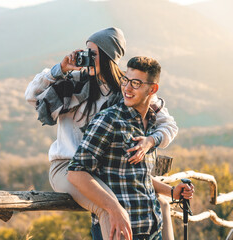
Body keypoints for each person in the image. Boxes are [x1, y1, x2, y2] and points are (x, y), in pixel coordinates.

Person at [25, 27, 178, 239]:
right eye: (86, 51)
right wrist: (60, 69)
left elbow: (168, 125)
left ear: (108, 58)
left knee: (158, 202)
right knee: (109, 207)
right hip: (69, 167)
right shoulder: (73, 83)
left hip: (102, 168)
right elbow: (32, 95)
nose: (87, 58)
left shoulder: (127, 90)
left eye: (93, 54)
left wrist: (150, 141)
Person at [67, 56, 194, 240]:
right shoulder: (108, 120)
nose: (127, 88)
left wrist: (172, 192)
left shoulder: (150, 124)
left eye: (135, 83)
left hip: (153, 231)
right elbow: (76, 172)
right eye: (125, 80)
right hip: (120, 232)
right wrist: (115, 209)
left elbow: (138, 177)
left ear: (153, 89)